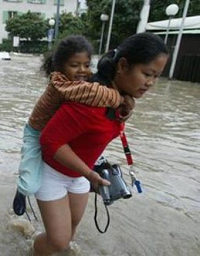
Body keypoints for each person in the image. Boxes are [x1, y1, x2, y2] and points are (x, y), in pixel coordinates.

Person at [32, 32, 169, 255]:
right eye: (147, 74)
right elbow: (49, 140)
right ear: (123, 65)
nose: (151, 83)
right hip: (52, 173)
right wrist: (89, 173)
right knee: (57, 241)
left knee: (70, 234)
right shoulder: (91, 100)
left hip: (80, 175)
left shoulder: (118, 97)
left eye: (156, 76)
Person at [12, 35, 134, 216]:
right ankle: (22, 189)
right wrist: (121, 98)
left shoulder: (84, 79)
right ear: (61, 66)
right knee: (31, 183)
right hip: (36, 132)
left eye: (86, 65)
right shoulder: (60, 84)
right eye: (74, 65)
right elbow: (93, 93)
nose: (82, 70)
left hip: (60, 135)